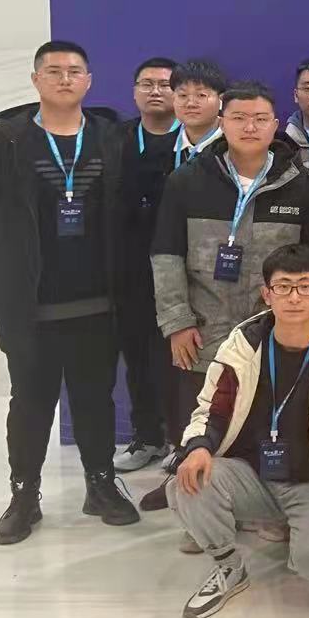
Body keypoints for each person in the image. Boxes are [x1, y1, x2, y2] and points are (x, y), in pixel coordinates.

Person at [0, 40, 139, 544]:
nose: (65, 79)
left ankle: (100, 484)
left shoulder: (112, 139)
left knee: (95, 399)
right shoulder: (2, 143)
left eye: (75, 71)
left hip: (98, 301)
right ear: (36, 79)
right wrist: (24, 256)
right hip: (31, 304)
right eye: (55, 71)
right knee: (30, 402)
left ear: (89, 81)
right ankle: (24, 495)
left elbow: (128, 211)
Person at [148, 80, 309, 514]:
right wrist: (177, 322)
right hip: (203, 328)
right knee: (199, 418)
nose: (250, 127)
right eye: (239, 118)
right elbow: (166, 255)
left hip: (276, 332)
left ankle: (259, 505)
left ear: (275, 124)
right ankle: (195, 500)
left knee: (267, 419)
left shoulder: (304, 187)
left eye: (260, 119)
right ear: (222, 122)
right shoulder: (186, 181)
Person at [168, 244, 309, 618]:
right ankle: (229, 566)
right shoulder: (242, 345)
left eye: (305, 286)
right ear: (267, 294)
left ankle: (298, 529)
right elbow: (211, 408)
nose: (294, 297)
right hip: (252, 473)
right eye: (283, 286)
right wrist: (197, 447)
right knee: (187, 482)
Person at [113, 56, 181, 473]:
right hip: (129, 269)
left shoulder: (193, 142)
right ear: (135, 91)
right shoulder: (115, 140)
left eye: (165, 84)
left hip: (179, 266)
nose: (156, 91)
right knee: (136, 355)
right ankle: (148, 437)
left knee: (178, 359)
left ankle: (181, 439)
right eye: (147, 84)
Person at [170, 58, 227, 167]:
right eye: (183, 95)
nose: (191, 104)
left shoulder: (235, 145)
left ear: (221, 100)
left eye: (201, 95)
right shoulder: (159, 147)